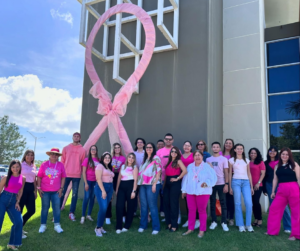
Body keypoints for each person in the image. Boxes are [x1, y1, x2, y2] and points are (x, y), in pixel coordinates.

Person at [266, 148, 300, 241]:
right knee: (274, 208)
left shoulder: (294, 165)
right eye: (283, 154)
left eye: (287, 154)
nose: (284, 156)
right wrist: (273, 191)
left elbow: (299, 178)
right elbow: (275, 179)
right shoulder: (277, 166)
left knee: (296, 212)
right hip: (281, 190)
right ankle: (272, 231)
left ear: (289, 156)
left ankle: (296, 235)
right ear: (280, 155)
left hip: (294, 189)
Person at [182, 150, 217, 238]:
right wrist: (184, 190)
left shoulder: (207, 166)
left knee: (201, 210)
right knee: (191, 210)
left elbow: (213, 178)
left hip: (203, 192)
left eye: (199, 155)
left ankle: (202, 230)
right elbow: (185, 179)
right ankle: (190, 228)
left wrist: (206, 183)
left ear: (202, 156)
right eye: (195, 155)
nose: (197, 157)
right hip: (190, 191)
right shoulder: (190, 166)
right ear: (193, 157)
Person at [37, 148, 66, 234]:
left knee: (56, 208)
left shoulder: (61, 165)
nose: (54, 155)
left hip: (56, 191)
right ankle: (43, 225)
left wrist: (61, 188)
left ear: (58, 156)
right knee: (45, 208)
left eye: (56, 154)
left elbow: (63, 177)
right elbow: (39, 176)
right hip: (45, 191)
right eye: (52, 154)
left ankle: (57, 225)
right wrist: (39, 188)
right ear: (49, 155)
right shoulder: (44, 164)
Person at [263, 146, 291, 233]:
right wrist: (264, 189)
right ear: (268, 152)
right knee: (273, 207)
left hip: (280, 185)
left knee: (284, 206)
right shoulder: (265, 163)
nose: (272, 152)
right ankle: (273, 226)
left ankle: (288, 226)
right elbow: (264, 176)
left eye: (274, 151)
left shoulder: (281, 162)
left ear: (277, 153)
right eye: (271, 151)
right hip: (269, 185)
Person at [0, 160, 25, 250]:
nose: (15, 169)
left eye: (17, 167)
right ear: (10, 168)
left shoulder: (23, 178)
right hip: (2, 200)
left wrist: (18, 202)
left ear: (20, 167)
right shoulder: (6, 178)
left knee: (18, 221)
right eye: (13, 167)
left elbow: (21, 191)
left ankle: (12, 243)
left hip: (13, 202)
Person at [60, 132, 86, 221]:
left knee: (74, 195)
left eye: (78, 136)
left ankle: (71, 213)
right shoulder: (66, 148)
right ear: (72, 137)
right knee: (62, 192)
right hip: (66, 174)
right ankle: (58, 211)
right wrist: (61, 173)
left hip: (77, 176)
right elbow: (62, 161)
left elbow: (83, 164)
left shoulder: (82, 150)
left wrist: (81, 173)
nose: (76, 137)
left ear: (80, 139)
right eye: (74, 136)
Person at [137, 142, 162, 235]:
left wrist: (155, 184)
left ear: (153, 148)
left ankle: (156, 227)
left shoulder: (156, 158)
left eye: (150, 147)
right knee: (143, 205)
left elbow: (158, 171)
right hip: (143, 184)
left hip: (152, 184)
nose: (148, 148)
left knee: (152, 205)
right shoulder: (145, 159)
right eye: (147, 147)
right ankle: (143, 225)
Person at [229, 144, 254, 232]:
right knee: (237, 203)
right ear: (235, 150)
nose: (239, 150)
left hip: (246, 182)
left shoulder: (247, 160)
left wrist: (251, 187)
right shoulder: (231, 160)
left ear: (243, 150)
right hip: (235, 182)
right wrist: (229, 187)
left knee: (249, 203)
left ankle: (248, 224)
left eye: (241, 149)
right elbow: (229, 173)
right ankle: (240, 225)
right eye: (238, 149)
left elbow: (249, 173)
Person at [207, 142, 229, 231]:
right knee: (212, 203)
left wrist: (226, 184)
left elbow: (226, 172)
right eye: (214, 147)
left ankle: (224, 222)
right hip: (211, 184)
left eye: (217, 147)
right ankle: (214, 221)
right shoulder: (208, 159)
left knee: (223, 203)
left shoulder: (223, 159)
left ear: (220, 149)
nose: (215, 148)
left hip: (221, 183)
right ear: (211, 148)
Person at [164, 147, 187, 232]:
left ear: (177, 154)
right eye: (172, 151)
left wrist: (177, 178)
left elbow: (185, 171)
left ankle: (174, 225)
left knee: (174, 204)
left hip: (175, 184)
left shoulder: (178, 161)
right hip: (167, 184)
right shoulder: (169, 161)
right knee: (167, 203)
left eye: (175, 152)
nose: (173, 153)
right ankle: (169, 223)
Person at [115, 153, 138, 233]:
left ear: (134, 159)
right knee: (119, 206)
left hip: (130, 187)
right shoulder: (123, 166)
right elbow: (119, 179)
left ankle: (127, 225)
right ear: (127, 158)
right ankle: (118, 226)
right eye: (129, 157)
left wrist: (134, 191)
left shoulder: (134, 167)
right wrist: (117, 189)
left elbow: (135, 180)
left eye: (132, 158)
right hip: (122, 187)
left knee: (130, 207)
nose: (131, 159)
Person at [94, 152, 114, 237]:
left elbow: (111, 180)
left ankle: (101, 226)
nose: (107, 159)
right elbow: (98, 179)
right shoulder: (99, 166)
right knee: (103, 207)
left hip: (110, 188)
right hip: (101, 187)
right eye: (105, 157)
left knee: (105, 208)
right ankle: (98, 228)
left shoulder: (109, 168)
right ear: (102, 158)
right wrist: (103, 191)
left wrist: (111, 192)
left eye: (109, 157)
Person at [105, 143, 126, 225]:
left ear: (120, 149)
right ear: (113, 149)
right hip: (111, 177)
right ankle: (107, 217)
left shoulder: (123, 158)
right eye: (115, 148)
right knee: (109, 197)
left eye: (118, 147)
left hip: (120, 177)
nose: (117, 149)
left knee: (121, 197)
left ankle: (123, 215)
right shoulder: (110, 157)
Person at [181, 141, 200, 229]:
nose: (187, 147)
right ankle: (190, 220)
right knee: (187, 201)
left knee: (195, 201)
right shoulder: (180, 156)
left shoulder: (194, 155)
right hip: (183, 180)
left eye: (188, 146)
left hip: (194, 181)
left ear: (191, 147)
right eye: (185, 145)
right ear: (183, 147)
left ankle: (197, 220)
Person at [80, 145, 100, 224]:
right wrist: (86, 183)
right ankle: (82, 216)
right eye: (92, 149)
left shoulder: (99, 160)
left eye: (95, 149)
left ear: (96, 151)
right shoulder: (86, 160)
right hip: (88, 181)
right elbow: (83, 172)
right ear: (90, 151)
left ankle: (88, 215)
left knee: (92, 197)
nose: (93, 150)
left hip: (96, 182)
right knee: (86, 197)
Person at [20, 150, 37, 239]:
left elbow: (34, 179)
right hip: (22, 188)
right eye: (28, 155)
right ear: (25, 156)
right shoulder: (21, 165)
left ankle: (20, 226)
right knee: (20, 211)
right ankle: (18, 230)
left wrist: (36, 191)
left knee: (32, 210)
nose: (30, 157)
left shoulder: (34, 166)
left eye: (32, 155)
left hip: (31, 190)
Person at [156, 134, 174, 221]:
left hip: (172, 178)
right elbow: (156, 164)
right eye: (166, 139)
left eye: (170, 139)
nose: (168, 141)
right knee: (165, 198)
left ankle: (175, 217)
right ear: (164, 140)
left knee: (172, 199)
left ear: (172, 140)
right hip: (161, 178)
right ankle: (167, 216)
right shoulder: (159, 152)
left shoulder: (175, 150)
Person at [248, 148, 265, 227]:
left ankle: (260, 219)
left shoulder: (260, 162)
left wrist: (258, 183)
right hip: (249, 185)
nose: (253, 154)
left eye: (254, 153)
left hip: (258, 185)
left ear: (257, 154)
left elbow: (263, 174)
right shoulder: (247, 162)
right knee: (252, 203)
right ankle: (255, 219)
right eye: (251, 153)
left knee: (256, 202)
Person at [221, 138, 235, 226]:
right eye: (226, 143)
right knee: (223, 199)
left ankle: (231, 218)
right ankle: (224, 217)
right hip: (222, 178)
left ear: (232, 145)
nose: (228, 144)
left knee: (231, 198)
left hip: (232, 177)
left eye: (230, 143)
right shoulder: (220, 154)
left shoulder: (235, 155)